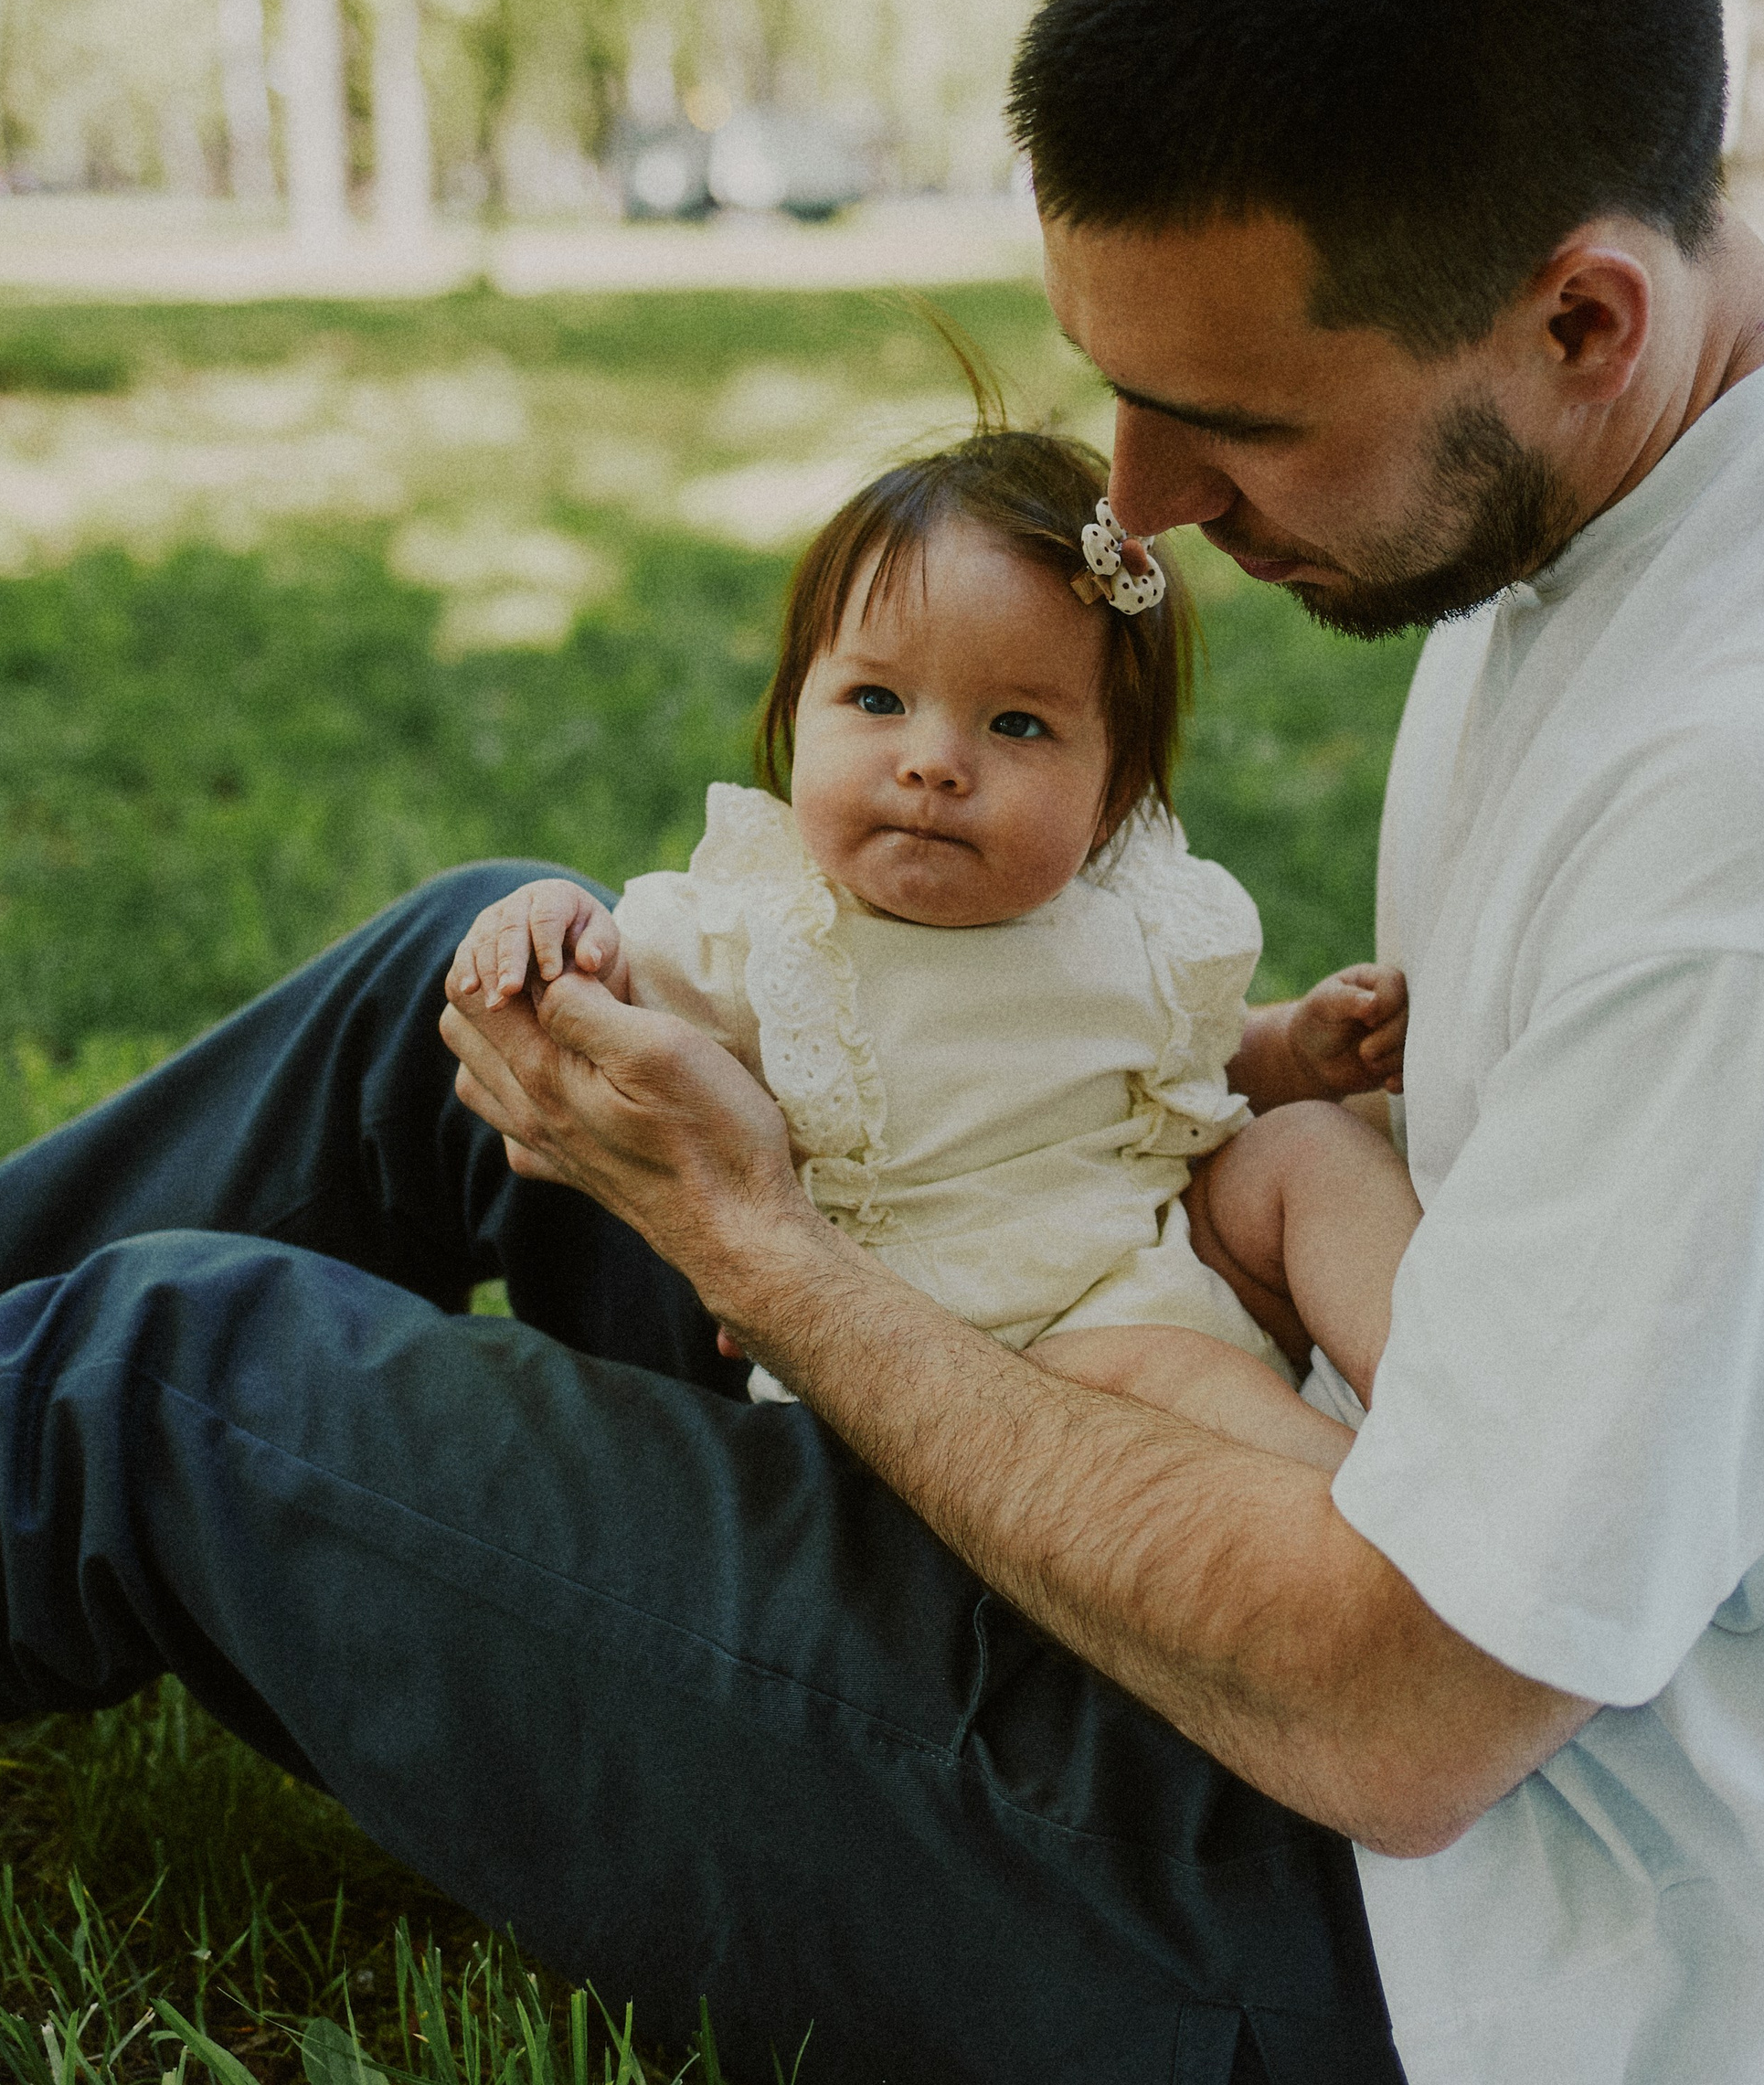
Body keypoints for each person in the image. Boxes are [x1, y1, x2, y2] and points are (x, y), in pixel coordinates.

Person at [0, 0, 1764, 2085]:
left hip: (1354, 1955)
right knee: (482, 971)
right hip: (1262, 1550)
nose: (1137, 504)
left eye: (1226, 423)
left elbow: (1401, 1717)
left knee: (155, 1391)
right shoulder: (1651, 489)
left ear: (1582, 313)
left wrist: (762, 1250)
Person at [447, 423, 1417, 1468]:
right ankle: (1379, 1509)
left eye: (1014, 724)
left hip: (1155, 1241)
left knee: (1306, 1148)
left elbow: (1195, 1065)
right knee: (1173, 1379)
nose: (933, 763)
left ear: (1111, 799)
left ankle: (1445, 1388)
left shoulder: (1124, 916)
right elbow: (603, 1008)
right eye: (876, 700)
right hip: (989, 1355)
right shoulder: (761, 935)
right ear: (794, 712)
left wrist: (1296, 1052)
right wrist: (549, 918)